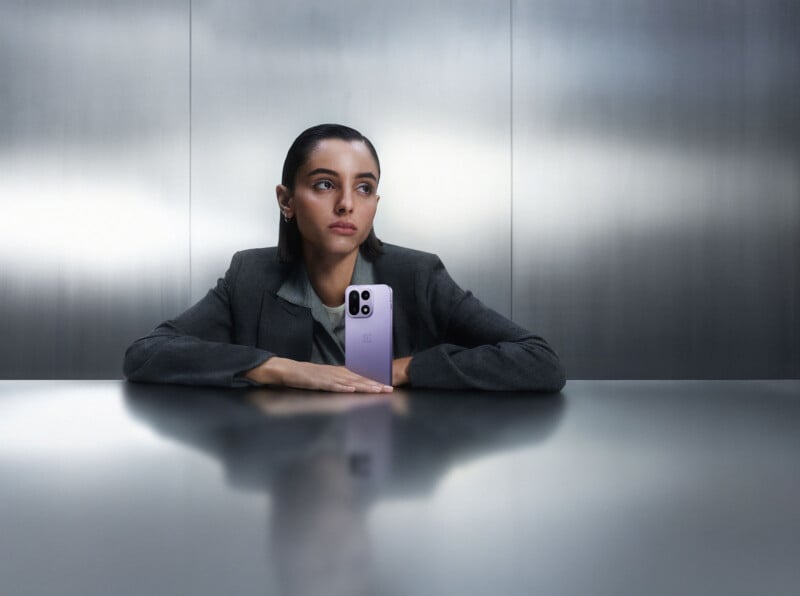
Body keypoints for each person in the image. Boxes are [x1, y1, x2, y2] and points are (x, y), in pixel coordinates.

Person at [123, 124, 566, 393]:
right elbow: (147, 354)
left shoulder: (416, 276)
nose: (346, 205)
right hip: (279, 455)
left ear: (376, 200)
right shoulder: (250, 277)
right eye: (323, 184)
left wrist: (404, 369)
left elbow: (540, 361)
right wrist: (279, 369)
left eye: (364, 187)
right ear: (286, 200)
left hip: (388, 456)